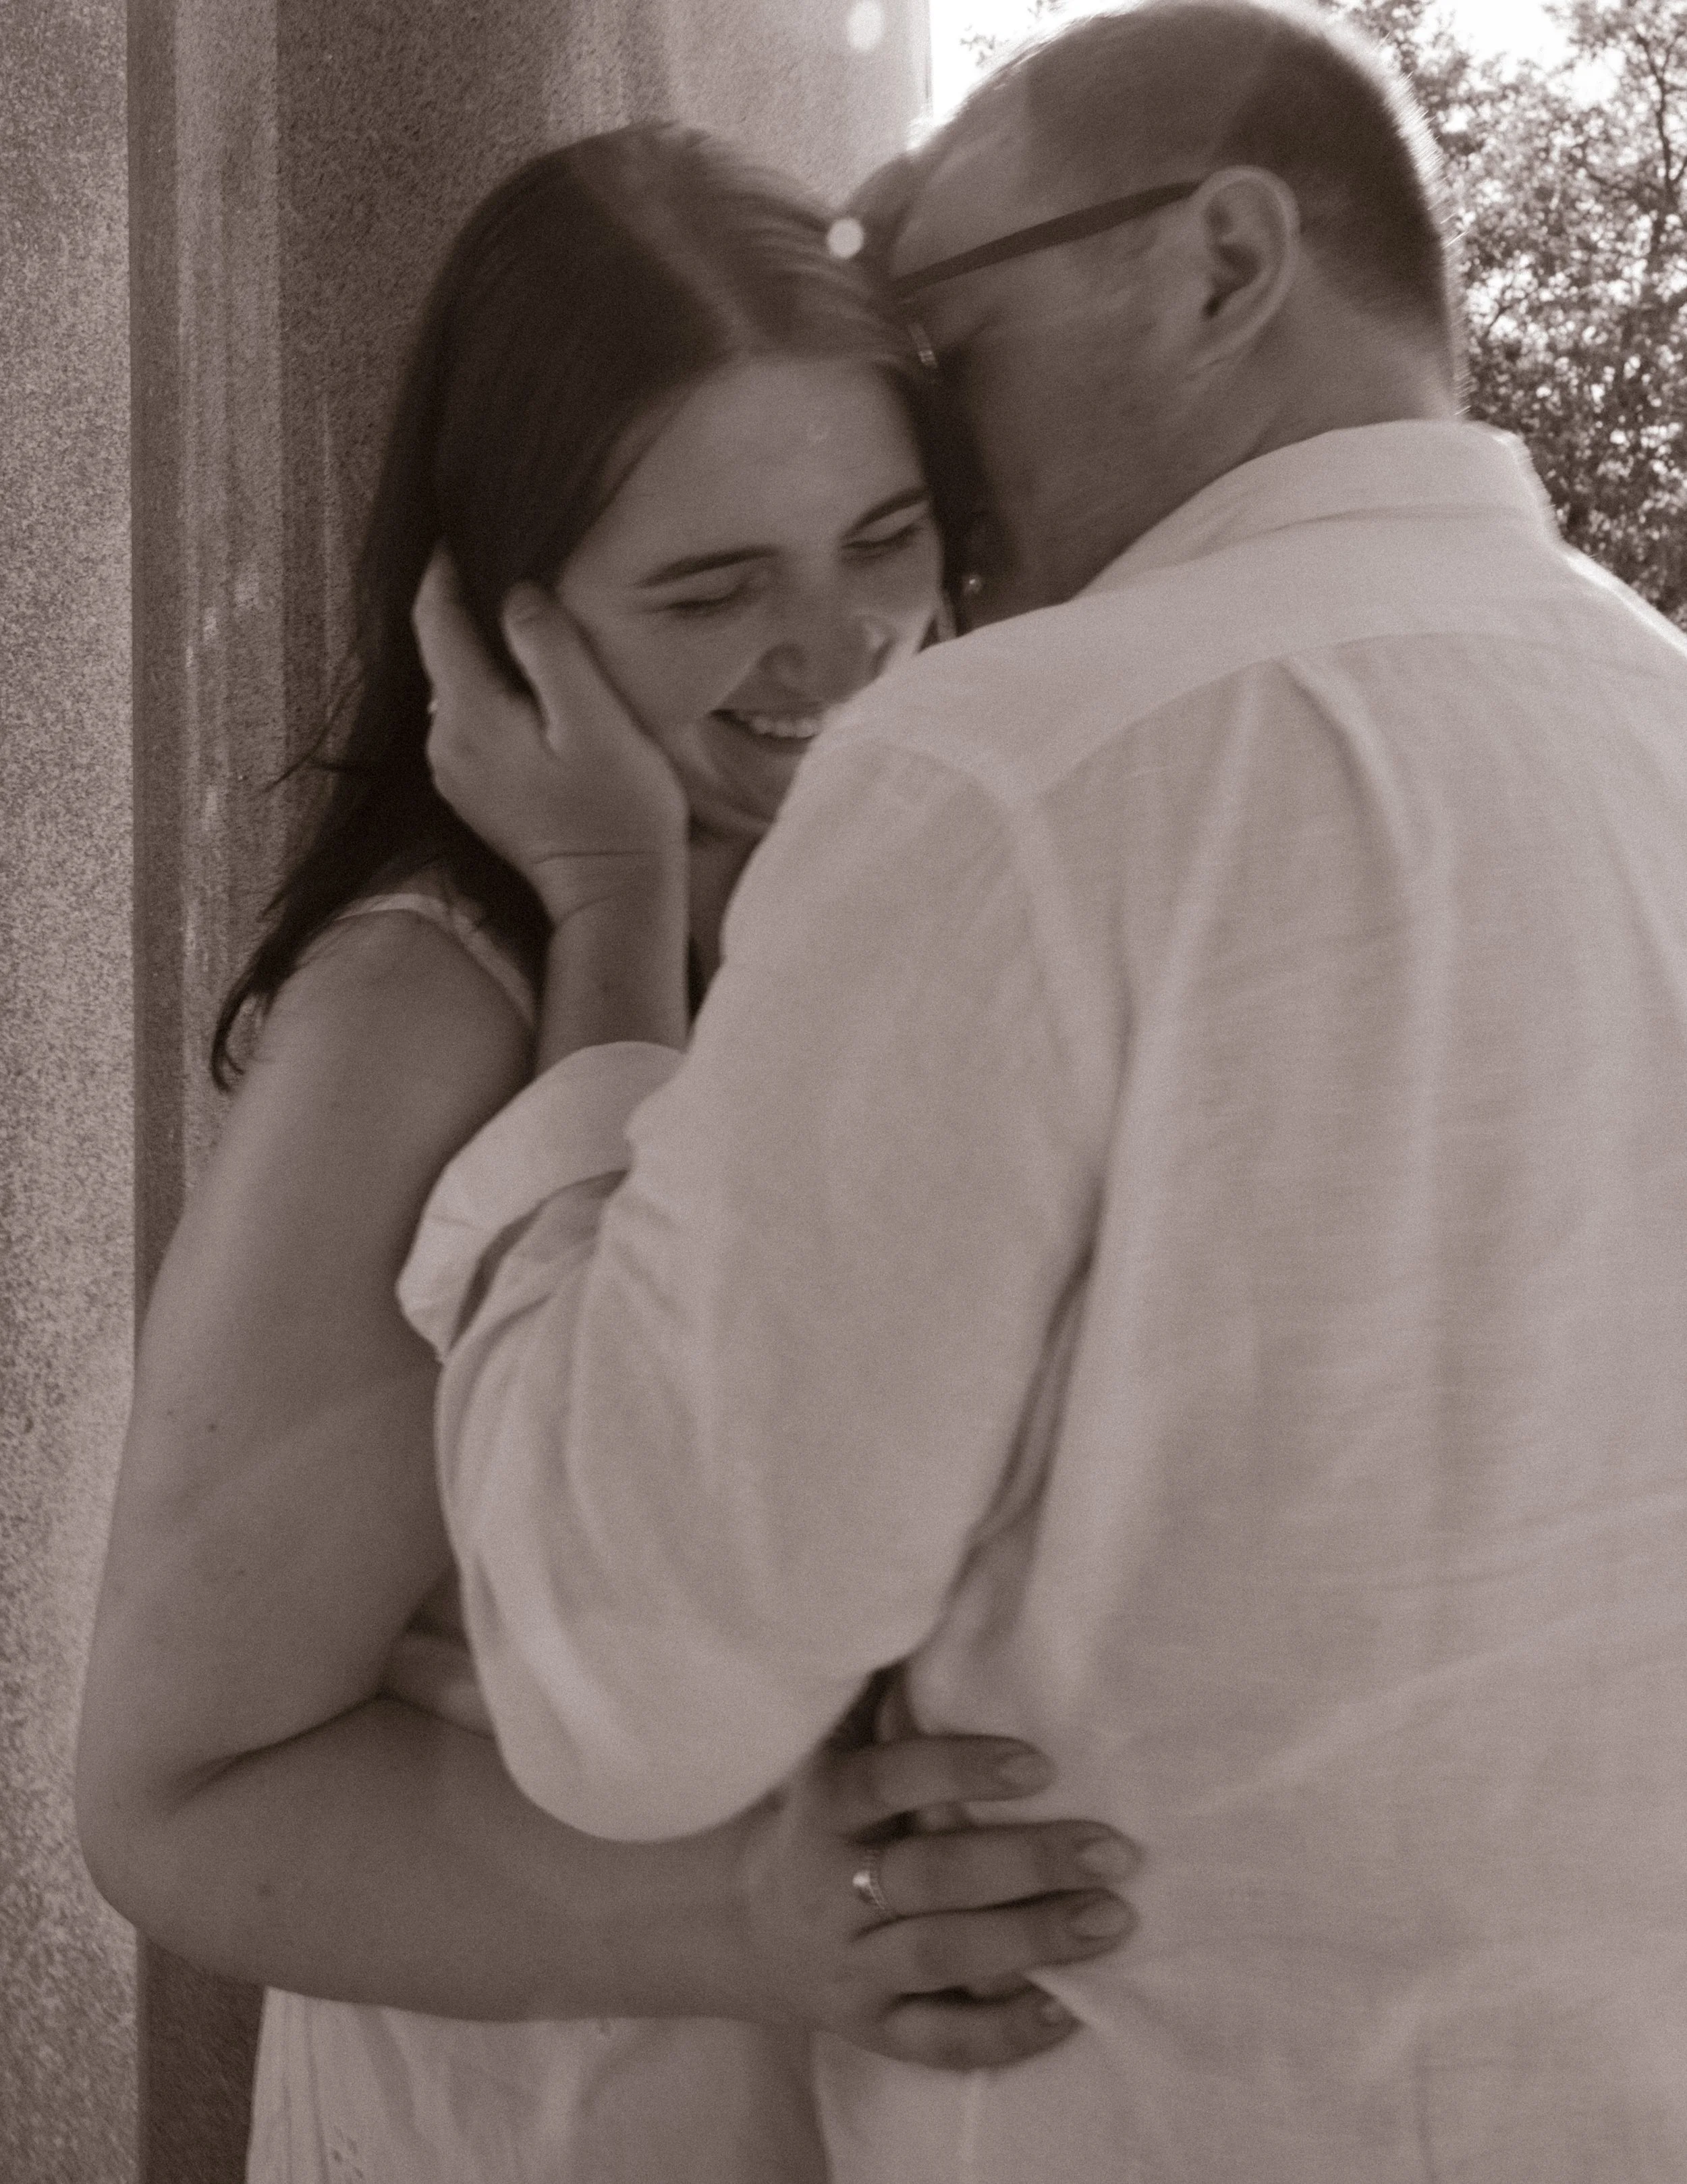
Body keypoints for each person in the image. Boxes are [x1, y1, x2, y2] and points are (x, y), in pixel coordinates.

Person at [406, 4, 1687, 2181]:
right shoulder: (1653, 732)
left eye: (939, 307)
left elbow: (631, 1683)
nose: (920, 405)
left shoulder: (1016, 771)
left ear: (1218, 257)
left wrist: (607, 949)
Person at [73, 126, 1144, 2184]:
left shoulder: (930, 898)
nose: (833, 661)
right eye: (712, 588)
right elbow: (176, 1798)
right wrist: (735, 1919)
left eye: (885, 538)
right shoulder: (421, 1013)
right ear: (502, 628)